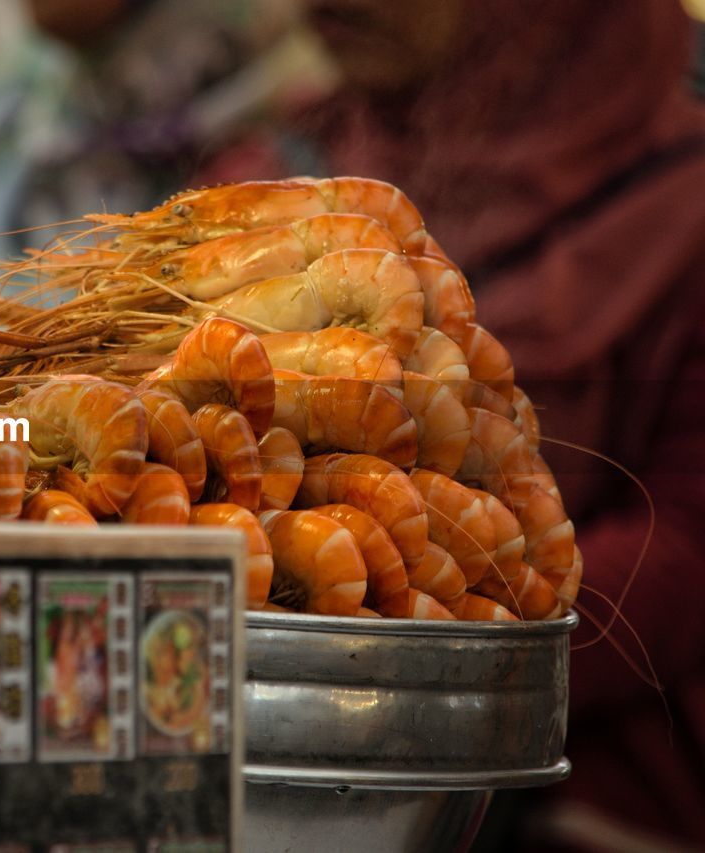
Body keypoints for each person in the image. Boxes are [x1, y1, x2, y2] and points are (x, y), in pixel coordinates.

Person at [291, 1, 705, 848]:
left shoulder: (686, 208)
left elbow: (689, 551)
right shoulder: (315, 155)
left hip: (584, 787)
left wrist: (411, 635)